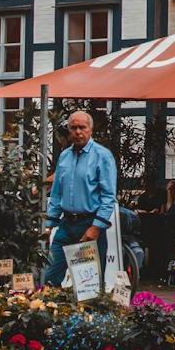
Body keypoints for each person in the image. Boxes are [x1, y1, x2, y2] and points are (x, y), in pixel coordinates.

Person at [42, 111, 117, 289]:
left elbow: (108, 196)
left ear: (90, 129)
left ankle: (88, 316)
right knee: (50, 278)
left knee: (87, 286)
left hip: (88, 226)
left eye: (82, 127)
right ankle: (54, 314)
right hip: (66, 226)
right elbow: (57, 193)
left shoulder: (102, 156)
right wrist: (49, 224)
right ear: (68, 130)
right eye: (73, 128)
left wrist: (96, 227)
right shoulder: (64, 156)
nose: (77, 132)